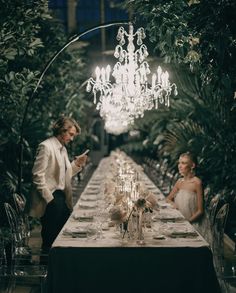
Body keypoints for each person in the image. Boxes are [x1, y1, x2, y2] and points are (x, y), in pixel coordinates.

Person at [30, 116, 88, 254]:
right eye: (71, 134)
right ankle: (46, 272)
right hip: (52, 200)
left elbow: (64, 175)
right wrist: (50, 200)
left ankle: (61, 271)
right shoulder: (46, 146)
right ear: (62, 130)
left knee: (62, 239)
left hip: (62, 198)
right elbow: (37, 175)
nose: (72, 138)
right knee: (49, 242)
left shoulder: (62, 149)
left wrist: (77, 164)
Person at [166, 152, 204, 223]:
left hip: (192, 223)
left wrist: (188, 222)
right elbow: (168, 199)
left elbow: (200, 211)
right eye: (179, 163)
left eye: (183, 163)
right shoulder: (179, 182)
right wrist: (173, 204)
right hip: (179, 220)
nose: (179, 166)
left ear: (192, 165)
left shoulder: (197, 183)